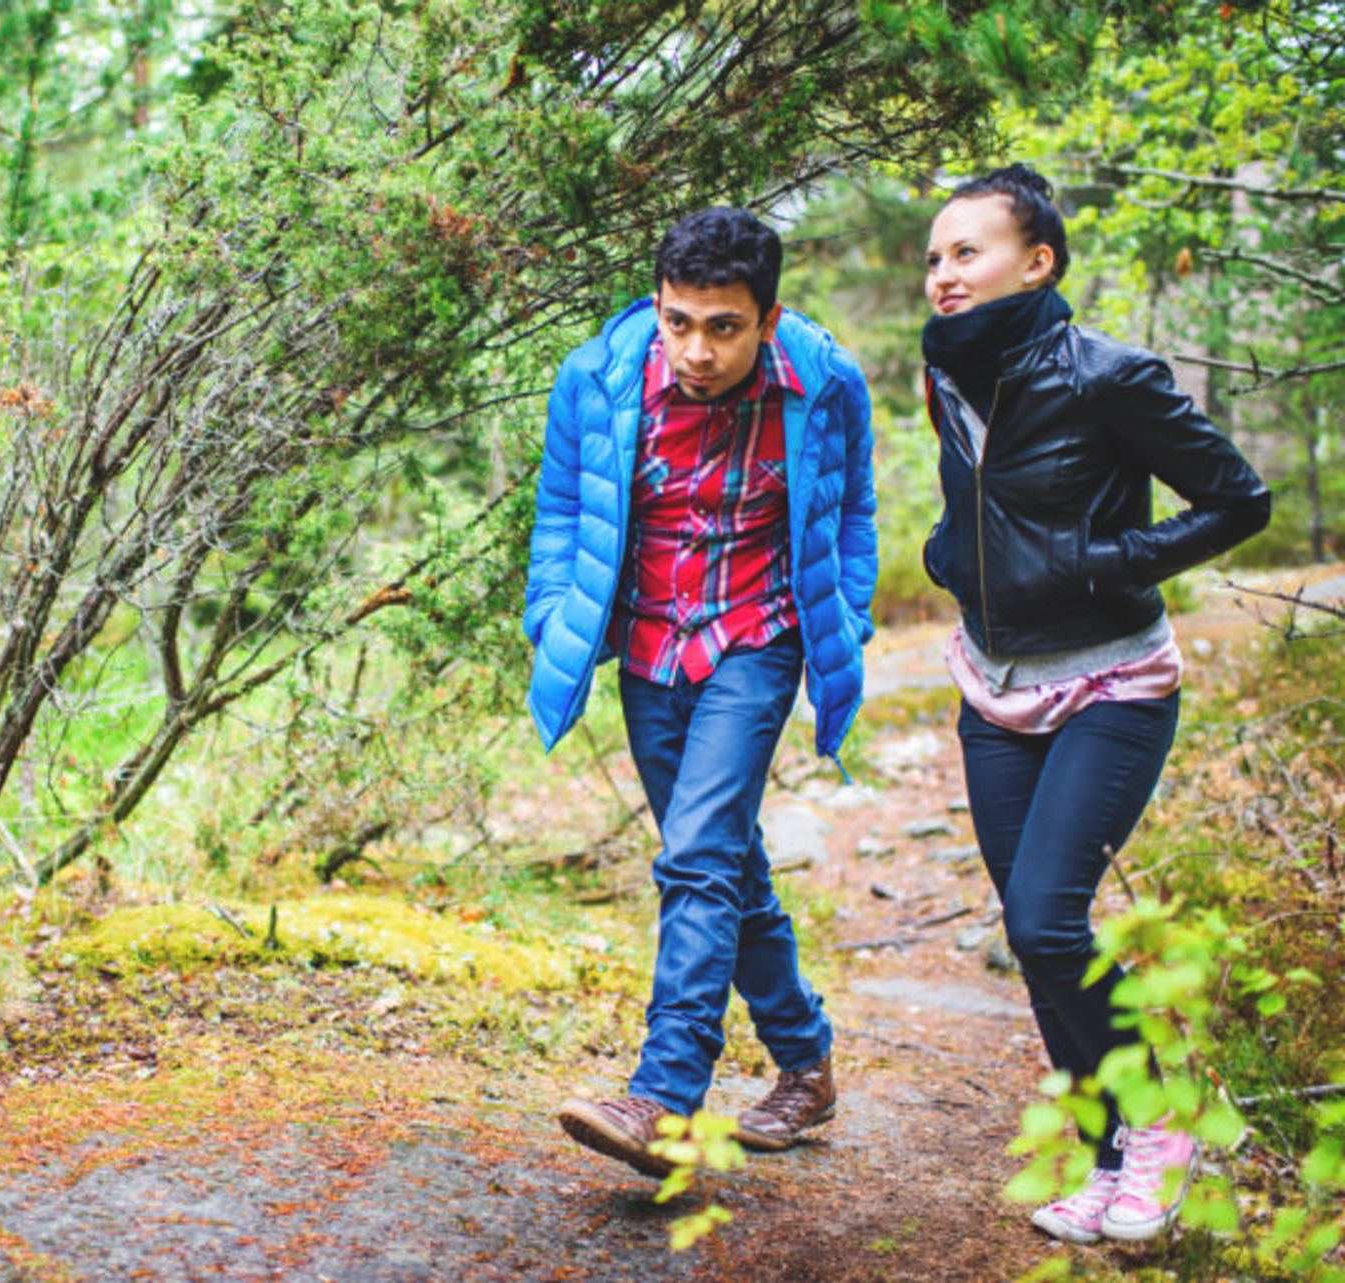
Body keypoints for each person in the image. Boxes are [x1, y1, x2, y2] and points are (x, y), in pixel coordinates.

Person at [919, 164, 1271, 1243]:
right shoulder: (950, 376)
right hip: (996, 682)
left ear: (1038, 263)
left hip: (1113, 680)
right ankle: (1115, 1148)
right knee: (1037, 943)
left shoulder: (1110, 376)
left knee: (1044, 916)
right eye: (933, 256)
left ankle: (1165, 1124)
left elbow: (1237, 499)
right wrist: (951, 554)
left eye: (967, 252)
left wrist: (1109, 560)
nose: (943, 274)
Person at [524, 207, 877, 1178]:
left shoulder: (822, 383)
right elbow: (560, 508)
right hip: (646, 647)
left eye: (724, 326)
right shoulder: (596, 378)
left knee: (697, 854)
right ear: (657, 303)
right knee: (721, 857)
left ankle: (663, 1098)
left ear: (767, 318)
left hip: (756, 641)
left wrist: (848, 615)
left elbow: (852, 513)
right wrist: (552, 612)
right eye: (679, 320)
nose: (697, 348)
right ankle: (807, 1066)